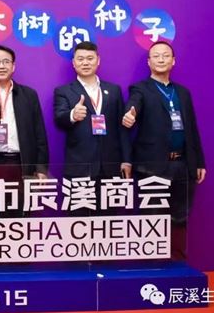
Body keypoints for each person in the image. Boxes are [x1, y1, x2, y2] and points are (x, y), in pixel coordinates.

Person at [122, 41, 206, 260]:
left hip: (183, 165)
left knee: (181, 217)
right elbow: (133, 105)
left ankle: (178, 262)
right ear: (149, 62)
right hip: (153, 167)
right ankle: (152, 265)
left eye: (165, 55)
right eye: (156, 56)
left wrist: (199, 161)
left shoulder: (183, 93)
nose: (161, 59)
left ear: (173, 61)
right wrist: (130, 114)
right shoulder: (140, 89)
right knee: (152, 218)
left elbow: (192, 128)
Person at [0, 45, 48, 218]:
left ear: (13, 66)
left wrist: (41, 168)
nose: (1, 66)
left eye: (6, 62)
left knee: (22, 215)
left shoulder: (29, 95)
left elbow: (39, 133)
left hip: (22, 164)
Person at [54, 42, 131, 214]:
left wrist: (126, 159)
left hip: (110, 167)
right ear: (74, 63)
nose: (85, 63)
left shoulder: (113, 90)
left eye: (90, 58)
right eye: (80, 59)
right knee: (79, 222)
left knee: (109, 220)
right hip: (79, 167)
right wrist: (72, 115)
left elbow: (121, 128)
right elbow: (59, 118)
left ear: (98, 61)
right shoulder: (64, 91)